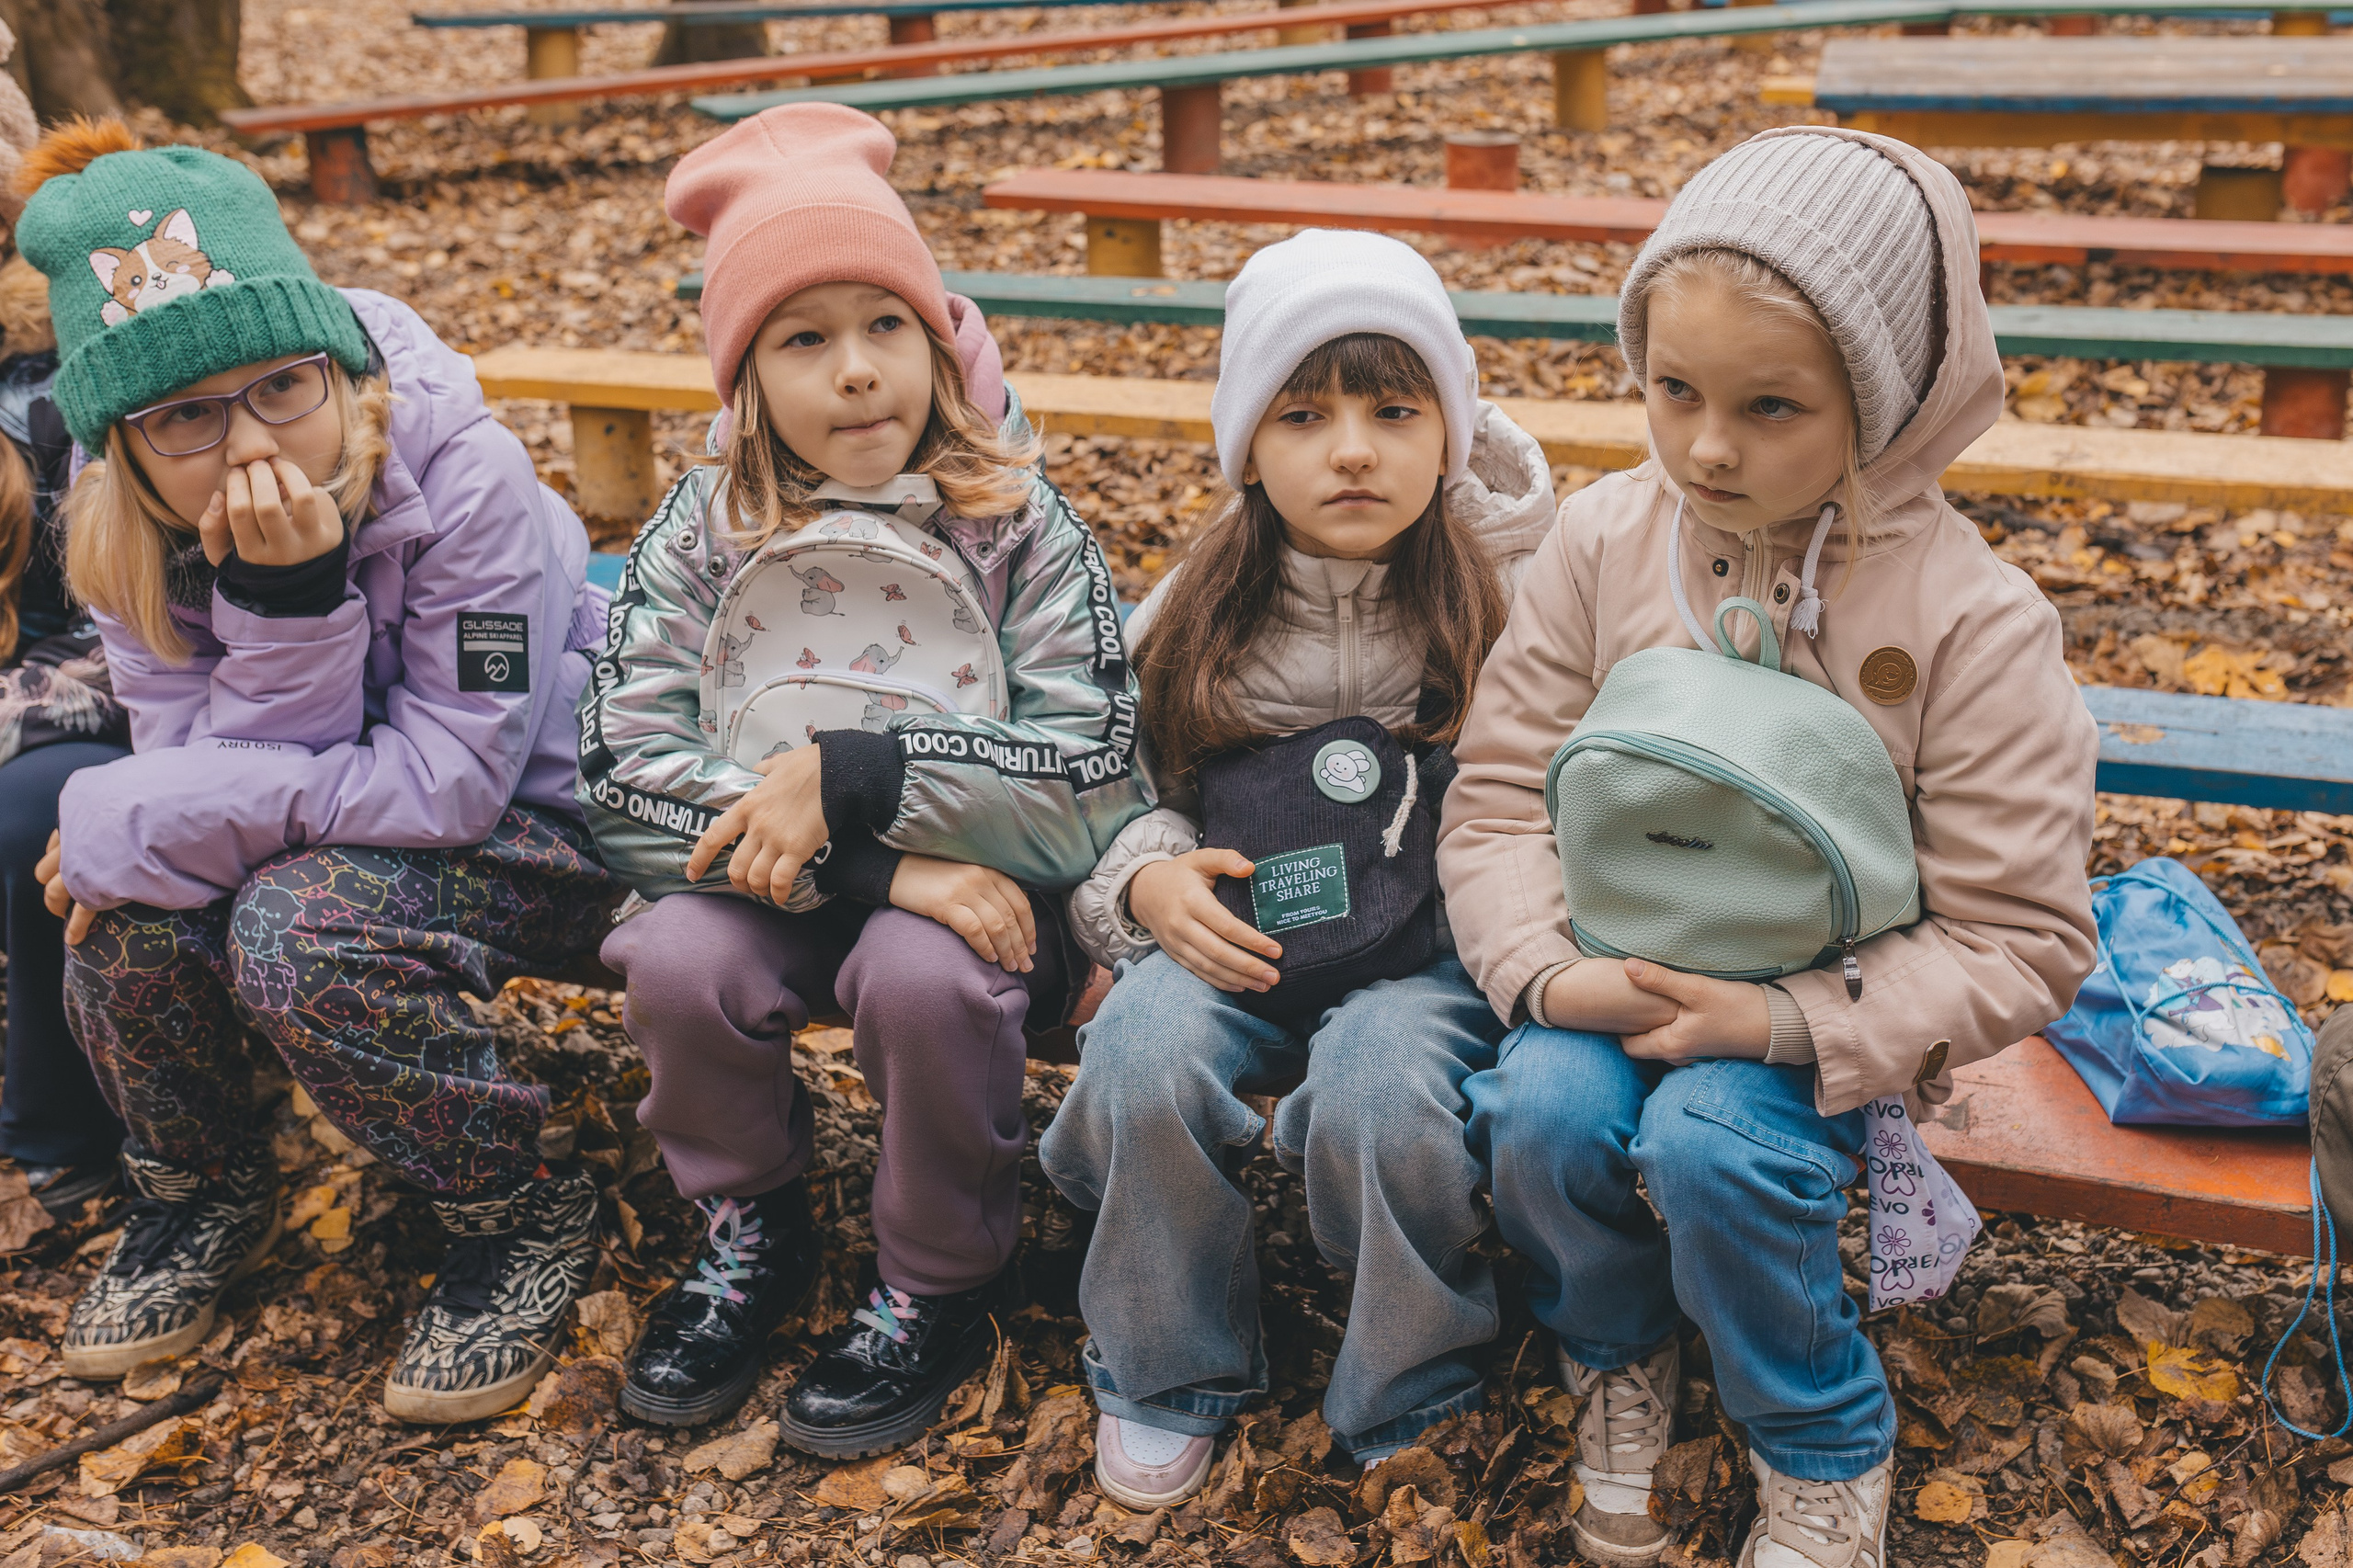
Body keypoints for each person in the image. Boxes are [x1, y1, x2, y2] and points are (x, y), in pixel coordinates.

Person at [1437, 128, 2100, 1568]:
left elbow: (2022, 932)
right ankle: (1616, 1348)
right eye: (1673, 390)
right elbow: (1497, 798)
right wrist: (1551, 975)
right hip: (1611, 969)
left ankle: (1817, 1434)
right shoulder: (1609, 543)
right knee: (1542, 1108)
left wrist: (1785, 1018)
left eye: (1772, 405)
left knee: (1715, 1137)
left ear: (1890, 402)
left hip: (1831, 1006)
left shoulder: (1971, 620)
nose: (1707, 446)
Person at [20, 121, 617, 1424]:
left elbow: (457, 776)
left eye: (283, 385)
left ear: (341, 365)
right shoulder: (125, 533)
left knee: (296, 925)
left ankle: (515, 1199)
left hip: (558, 823)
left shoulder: (469, 480)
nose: (250, 443)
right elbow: (195, 770)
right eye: (183, 413)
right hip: (349, 810)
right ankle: (199, 1184)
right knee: (128, 913)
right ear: (121, 443)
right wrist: (275, 611)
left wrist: (282, 613)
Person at [582, 102, 1150, 1453]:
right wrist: (880, 857)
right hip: (794, 880)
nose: (855, 372)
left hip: (976, 903)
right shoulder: (702, 529)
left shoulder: (1021, 528)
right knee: (672, 959)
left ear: (940, 340)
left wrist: (858, 777)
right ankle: (751, 1224)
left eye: (886, 324)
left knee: (923, 974)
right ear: (747, 379)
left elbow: (1094, 779)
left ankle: (937, 1273)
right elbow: (617, 769)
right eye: (804, 337)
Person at [1040, 231, 1556, 1507]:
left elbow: (1564, 788)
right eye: (1305, 413)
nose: (1352, 449)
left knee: (1384, 1089)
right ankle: (1168, 1366)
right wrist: (1148, 886)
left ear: (1450, 431)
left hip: (1426, 961)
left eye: (1394, 408)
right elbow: (1118, 798)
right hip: (1242, 940)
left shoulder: (1511, 599)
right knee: (1143, 1049)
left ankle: (1410, 1379)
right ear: (1248, 445)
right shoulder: (1198, 609)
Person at [0, 72, 129, 1216]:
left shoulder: (83, 334)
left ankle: (66, 1120)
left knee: (40, 805)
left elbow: (129, 619)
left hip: (94, 677)